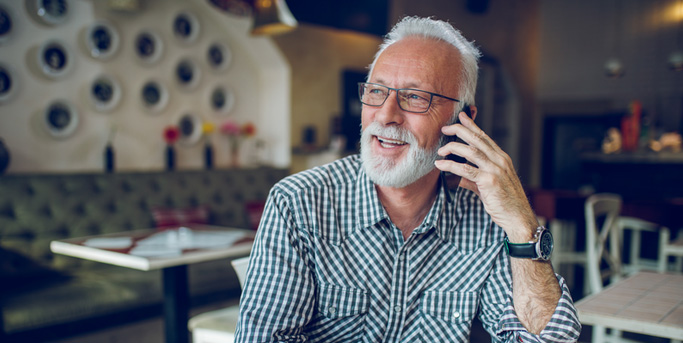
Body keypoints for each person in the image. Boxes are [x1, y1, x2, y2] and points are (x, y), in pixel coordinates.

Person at [236, 16, 581, 342]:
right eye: (376, 92)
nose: (386, 115)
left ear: (464, 119)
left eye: (415, 97)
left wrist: (521, 224)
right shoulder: (299, 203)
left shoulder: (485, 219)